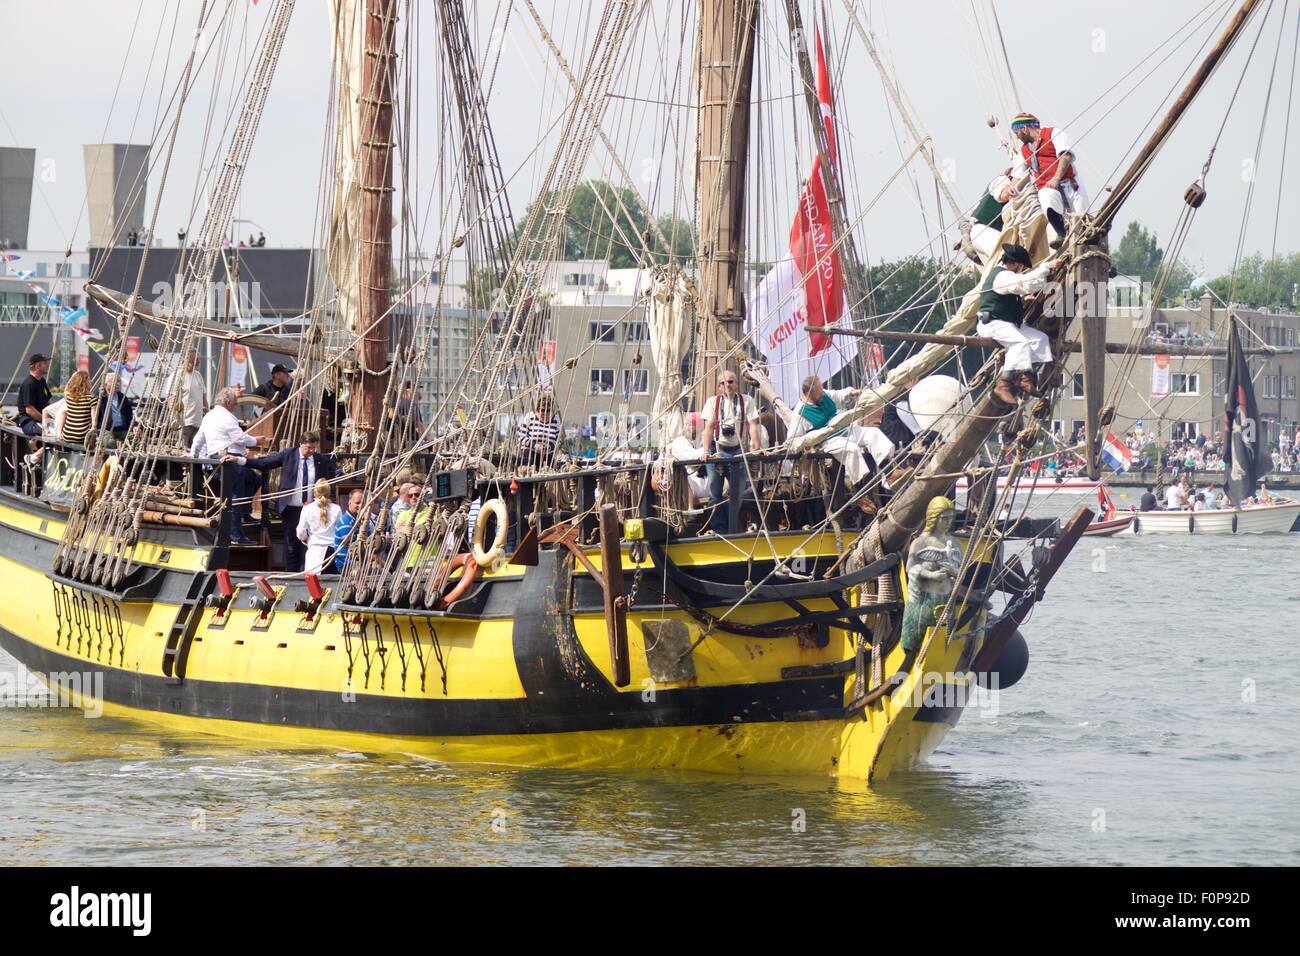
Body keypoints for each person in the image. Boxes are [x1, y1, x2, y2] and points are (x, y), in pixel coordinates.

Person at [238, 432, 338, 572]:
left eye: (314, 448)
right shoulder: (289, 454)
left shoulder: (320, 460)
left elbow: (328, 482)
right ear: (300, 444)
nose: (312, 451)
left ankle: (307, 574)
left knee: (309, 545)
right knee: (291, 546)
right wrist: (240, 461)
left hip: (312, 510)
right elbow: (264, 463)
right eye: (309, 448)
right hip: (291, 509)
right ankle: (291, 574)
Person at [976, 243, 1060, 404]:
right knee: (1020, 342)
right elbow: (1024, 283)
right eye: (1020, 265)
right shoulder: (1002, 276)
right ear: (1013, 262)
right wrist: (1047, 267)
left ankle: (1026, 376)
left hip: (1007, 323)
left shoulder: (1005, 277)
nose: (1020, 269)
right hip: (993, 323)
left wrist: (1021, 300)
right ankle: (1003, 385)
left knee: (1039, 339)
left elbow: (1008, 295)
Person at [1010, 112, 1089, 249]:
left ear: (1024, 129)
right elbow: (1017, 174)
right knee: (1046, 196)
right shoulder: (1024, 151)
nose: (1016, 136)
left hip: (1070, 184)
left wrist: (1056, 178)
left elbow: (1066, 155)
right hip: (1047, 187)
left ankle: (1086, 243)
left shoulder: (1053, 133)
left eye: (1016, 132)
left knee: (1082, 219)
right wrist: (1012, 186)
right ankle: (1062, 233)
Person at [195, 388, 262, 544]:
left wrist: (193, 457)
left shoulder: (209, 416)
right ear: (227, 402)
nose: (236, 406)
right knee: (236, 497)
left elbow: (198, 440)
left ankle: (246, 512)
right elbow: (239, 439)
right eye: (235, 403)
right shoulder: (227, 417)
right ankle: (236, 535)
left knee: (254, 479)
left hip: (215, 462)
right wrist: (256, 441)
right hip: (230, 462)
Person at [700, 370, 762, 533]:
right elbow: (708, 428)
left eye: (731, 381)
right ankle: (718, 530)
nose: (727, 385)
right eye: (723, 383)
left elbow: (753, 426)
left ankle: (731, 527)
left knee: (738, 494)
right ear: (719, 386)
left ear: (737, 383)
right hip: (717, 452)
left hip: (737, 452)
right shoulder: (712, 403)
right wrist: (706, 451)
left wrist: (757, 448)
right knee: (715, 494)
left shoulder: (746, 401)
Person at [963, 172, 1016, 264]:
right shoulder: (1002, 180)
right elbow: (1003, 196)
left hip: (1000, 233)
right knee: (1005, 258)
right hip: (983, 230)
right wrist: (1017, 183)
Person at [297, 479, 341, 575]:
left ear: (314, 492)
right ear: (329, 492)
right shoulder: (337, 509)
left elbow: (300, 531)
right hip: (332, 553)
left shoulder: (307, 509)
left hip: (315, 552)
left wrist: (304, 538)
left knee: (313, 585)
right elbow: (340, 531)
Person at [167, 348, 207, 448]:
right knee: (182, 449)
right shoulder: (177, 375)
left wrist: (207, 412)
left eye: (198, 360)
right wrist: (173, 417)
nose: (198, 362)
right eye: (196, 359)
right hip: (184, 421)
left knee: (196, 450)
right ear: (187, 359)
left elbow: (203, 397)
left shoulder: (198, 375)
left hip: (198, 422)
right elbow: (171, 397)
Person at [515, 394, 561, 468]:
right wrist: (534, 445)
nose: (545, 413)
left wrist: (548, 447)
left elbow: (558, 440)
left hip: (548, 456)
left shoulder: (556, 420)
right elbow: (521, 436)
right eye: (542, 410)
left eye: (548, 410)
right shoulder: (530, 417)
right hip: (530, 454)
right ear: (538, 409)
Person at [16, 354, 51, 437]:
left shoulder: (42, 381)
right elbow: (29, 410)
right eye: (45, 363)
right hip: (29, 421)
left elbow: (49, 400)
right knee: (50, 433)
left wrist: (53, 417)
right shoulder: (29, 384)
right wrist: (45, 420)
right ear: (38, 366)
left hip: (41, 420)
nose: (48, 365)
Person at [333, 489, 368, 572]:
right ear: (349, 503)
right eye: (357, 503)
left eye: (363, 503)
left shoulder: (359, 520)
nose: (360, 506)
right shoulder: (346, 522)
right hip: (346, 565)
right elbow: (354, 547)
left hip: (358, 563)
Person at [58, 371, 96, 446]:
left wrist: (73, 378)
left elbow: (66, 388)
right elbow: (94, 417)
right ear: (84, 382)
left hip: (67, 435)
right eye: (88, 379)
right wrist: (94, 429)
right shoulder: (91, 398)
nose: (91, 381)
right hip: (81, 436)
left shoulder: (69, 397)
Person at [96, 372, 134, 441]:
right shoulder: (100, 398)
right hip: (106, 430)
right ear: (105, 384)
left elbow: (130, 415)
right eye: (114, 381)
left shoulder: (122, 397)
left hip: (121, 429)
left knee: (136, 439)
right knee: (110, 443)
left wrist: (135, 426)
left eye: (119, 381)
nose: (118, 384)